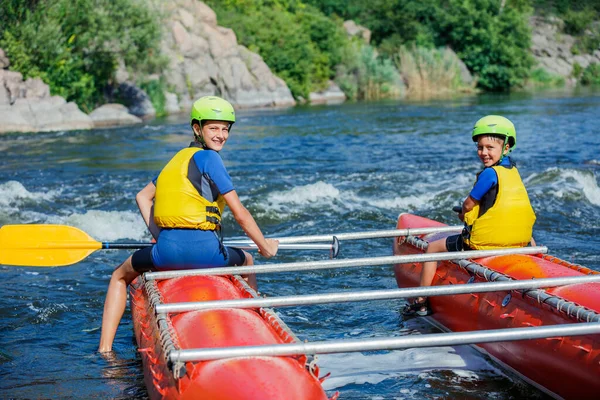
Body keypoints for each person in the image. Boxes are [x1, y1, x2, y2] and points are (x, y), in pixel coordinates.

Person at [98, 96, 279, 353]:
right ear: (197, 128)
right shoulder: (210, 158)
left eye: (226, 128)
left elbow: (142, 196)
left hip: (165, 253)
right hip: (206, 254)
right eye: (213, 128)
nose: (221, 135)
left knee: (119, 275)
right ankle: (251, 325)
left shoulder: (175, 160)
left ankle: (105, 350)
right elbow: (240, 214)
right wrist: (265, 247)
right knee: (248, 259)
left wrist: (160, 236)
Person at [404, 115, 536, 316]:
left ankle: (420, 301)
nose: (483, 153)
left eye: (489, 148)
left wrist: (464, 216)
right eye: (480, 147)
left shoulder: (489, 174)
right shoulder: (513, 172)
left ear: (506, 147)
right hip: (519, 242)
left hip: (485, 243)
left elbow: (467, 204)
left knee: (432, 248)